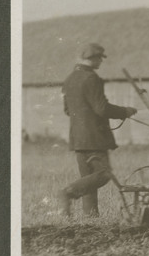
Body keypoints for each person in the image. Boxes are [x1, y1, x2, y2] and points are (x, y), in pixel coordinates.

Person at [57, 43, 138, 217]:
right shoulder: (91, 78)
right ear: (92, 59)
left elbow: (67, 110)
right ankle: (68, 193)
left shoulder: (70, 78)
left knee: (89, 180)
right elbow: (101, 108)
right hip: (95, 137)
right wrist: (125, 111)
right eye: (99, 57)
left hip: (78, 138)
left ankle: (90, 217)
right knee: (103, 174)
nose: (101, 61)